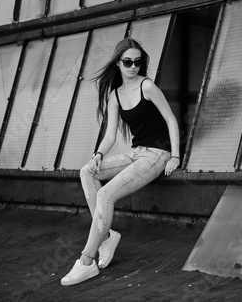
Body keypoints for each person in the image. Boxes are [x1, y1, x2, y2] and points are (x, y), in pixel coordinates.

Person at [61, 38, 180, 286]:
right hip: (136, 153)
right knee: (87, 172)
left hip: (157, 154)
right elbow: (110, 136)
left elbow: (171, 119)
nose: (133, 66)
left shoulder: (147, 86)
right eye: (128, 62)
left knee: (106, 195)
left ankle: (86, 262)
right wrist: (98, 155)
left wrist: (176, 155)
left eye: (138, 62)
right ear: (118, 63)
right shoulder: (115, 96)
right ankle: (106, 237)